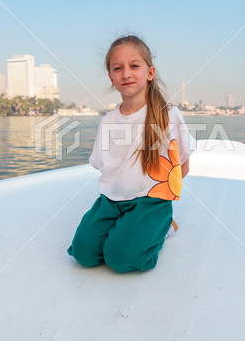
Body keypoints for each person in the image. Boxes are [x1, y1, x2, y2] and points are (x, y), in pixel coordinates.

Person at [67, 35, 196, 273]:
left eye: (134, 66)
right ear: (111, 78)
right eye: (118, 68)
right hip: (111, 202)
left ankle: (163, 226)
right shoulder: (107, 121)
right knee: (83, 253)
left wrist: (150, 192)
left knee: (120, 258)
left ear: (150, 72)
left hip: (150, 202)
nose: (126, 73)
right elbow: (103, 166)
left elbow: (182, 168)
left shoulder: (168, 116)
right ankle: (127, 226)